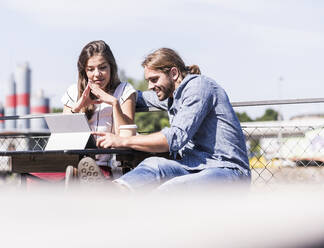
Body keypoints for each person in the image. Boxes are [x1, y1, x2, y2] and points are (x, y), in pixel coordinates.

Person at [94, 48, 251, 191]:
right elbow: (133, 96)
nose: (149, 86)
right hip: (194, 166)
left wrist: (122, 141)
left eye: (154, 79)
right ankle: (113, 192)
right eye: (148, 80)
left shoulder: (199, 87)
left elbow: (175, 138)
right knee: (153, 164)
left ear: (174, 74)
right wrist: (93, 94)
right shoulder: (169, 94)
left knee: (170, 189)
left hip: (227, 170)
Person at [33, 40, 136, 183]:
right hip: (70, 160)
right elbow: (62, 136)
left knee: (81, 175)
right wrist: (78, 107)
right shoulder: (73, 91)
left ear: (111, 67)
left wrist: (114, 103)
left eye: (102, 67)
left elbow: (125, 135)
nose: (97, 74)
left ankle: (74, 179)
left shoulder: (124, 90)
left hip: (104, 164)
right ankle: (72, 176)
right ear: (84, 71)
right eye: (90, 69)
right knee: (33, 175)